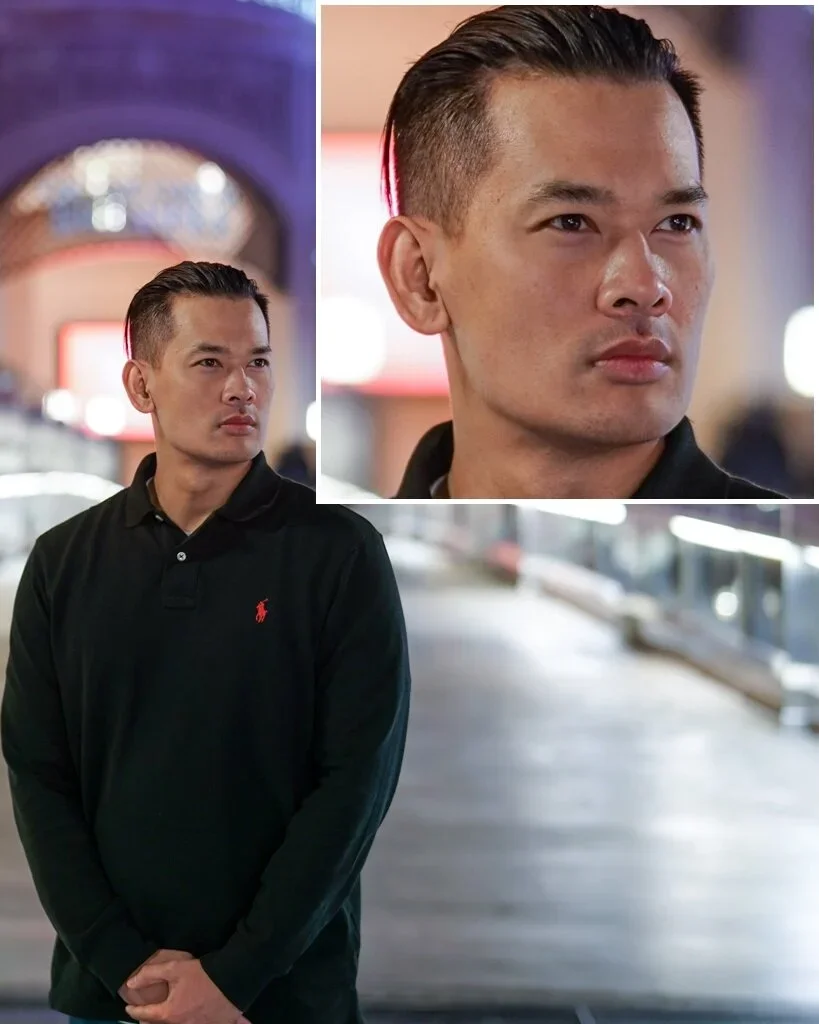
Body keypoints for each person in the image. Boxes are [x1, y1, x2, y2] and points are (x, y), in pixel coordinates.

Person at [1, 261, 410, 1024]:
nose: (242, 388)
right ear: (140, 384)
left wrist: (237, 973)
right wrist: (120, 958)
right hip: (115, 994)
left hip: (283, 995)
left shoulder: (339, 554)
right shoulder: (64, 564)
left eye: (258, 362)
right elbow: (38, 776)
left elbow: (354, 783)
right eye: (210, 363)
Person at [376, 5, 786, 499]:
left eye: (676, 223)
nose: (644, 286)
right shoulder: (343, 563)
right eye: (571, 223)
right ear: (418, 276)